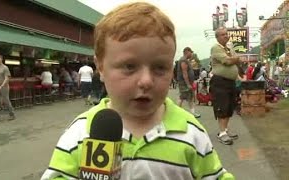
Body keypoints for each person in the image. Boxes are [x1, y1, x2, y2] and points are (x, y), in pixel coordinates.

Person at [41, 2, 234, 180]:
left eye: (160, 68)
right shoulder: (81, 132)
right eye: (129, 66)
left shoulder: (191, 132)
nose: (146, 81)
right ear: (100, 67)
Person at [210, 27, 240, 145]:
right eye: (223, 34)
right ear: (217, 37)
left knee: (229, 107)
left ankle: (226, 130)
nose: (226, 36)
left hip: (230, 82)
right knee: (222, 106)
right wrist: (235, 58)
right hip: (220, 82)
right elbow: (227, 61)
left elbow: (235, 59)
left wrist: (234, 57)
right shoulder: (216, 48)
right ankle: (222, 133)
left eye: (227, 34)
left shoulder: (228, 48)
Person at [0, 54, 15, 123]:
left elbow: (7, 78)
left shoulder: (5, 68)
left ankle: (12, 114)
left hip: (4, 87)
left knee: (6, 101)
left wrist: (1, 86)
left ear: (1, 59)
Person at [176, 47, 201, 118]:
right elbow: (184, 73)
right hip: (184, 83)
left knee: (189, 97)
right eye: (191, 52)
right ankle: (177, 113)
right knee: (182, 97)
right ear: (187, 52)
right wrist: (188, 84)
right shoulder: (183, 60)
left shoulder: (185, 60)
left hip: (187, 82)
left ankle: (192, 113)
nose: (192, 54)